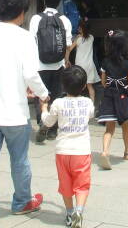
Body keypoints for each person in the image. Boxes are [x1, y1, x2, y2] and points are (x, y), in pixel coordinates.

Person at [0, 0, 48, 226]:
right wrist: (43, 94)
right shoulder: (24, 36)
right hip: (14, 112)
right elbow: (30, 73)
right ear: (22, 12)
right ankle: (22, 201)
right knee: (20, 160)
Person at [41, 65, 94, 228]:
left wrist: (43, 108)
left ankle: (70, 213)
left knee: (66, 185)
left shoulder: (58, 103)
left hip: (63, 151)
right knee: (82, 185)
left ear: (63, 85)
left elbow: (48, 122)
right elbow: (91, 115)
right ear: (84, 86)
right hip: (82, 151)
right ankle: (79, 210)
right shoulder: (87, 103)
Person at [29, 0, 72, 144]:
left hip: (39, 65)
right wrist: (66, 61)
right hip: (58, 65)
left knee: (40, 95)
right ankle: (53, 129)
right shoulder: (64, 20)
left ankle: (42, 122)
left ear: (44, 1)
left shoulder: (36, 19)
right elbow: (67, 44)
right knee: (56, 95)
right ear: (59, 2)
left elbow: (32, 42)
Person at [96, 30, 128, 170]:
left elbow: (103, 82)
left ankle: (105, 151)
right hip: (123, 97)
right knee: (126, 127)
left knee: (109, 128)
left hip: (109, 96)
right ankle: (126, 153)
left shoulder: (105, 62)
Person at [67, 18, 99, 102]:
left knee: (79, 85)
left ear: (81, 28)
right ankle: (92, 104)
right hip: (89, 65)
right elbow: (86, 36)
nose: (78, 28)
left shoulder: (78, 39)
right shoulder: (92, 38)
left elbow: (69, 49)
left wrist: (67, 59)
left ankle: (78, 103)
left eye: (79, 27)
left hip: (80, 66)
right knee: (90, 87)